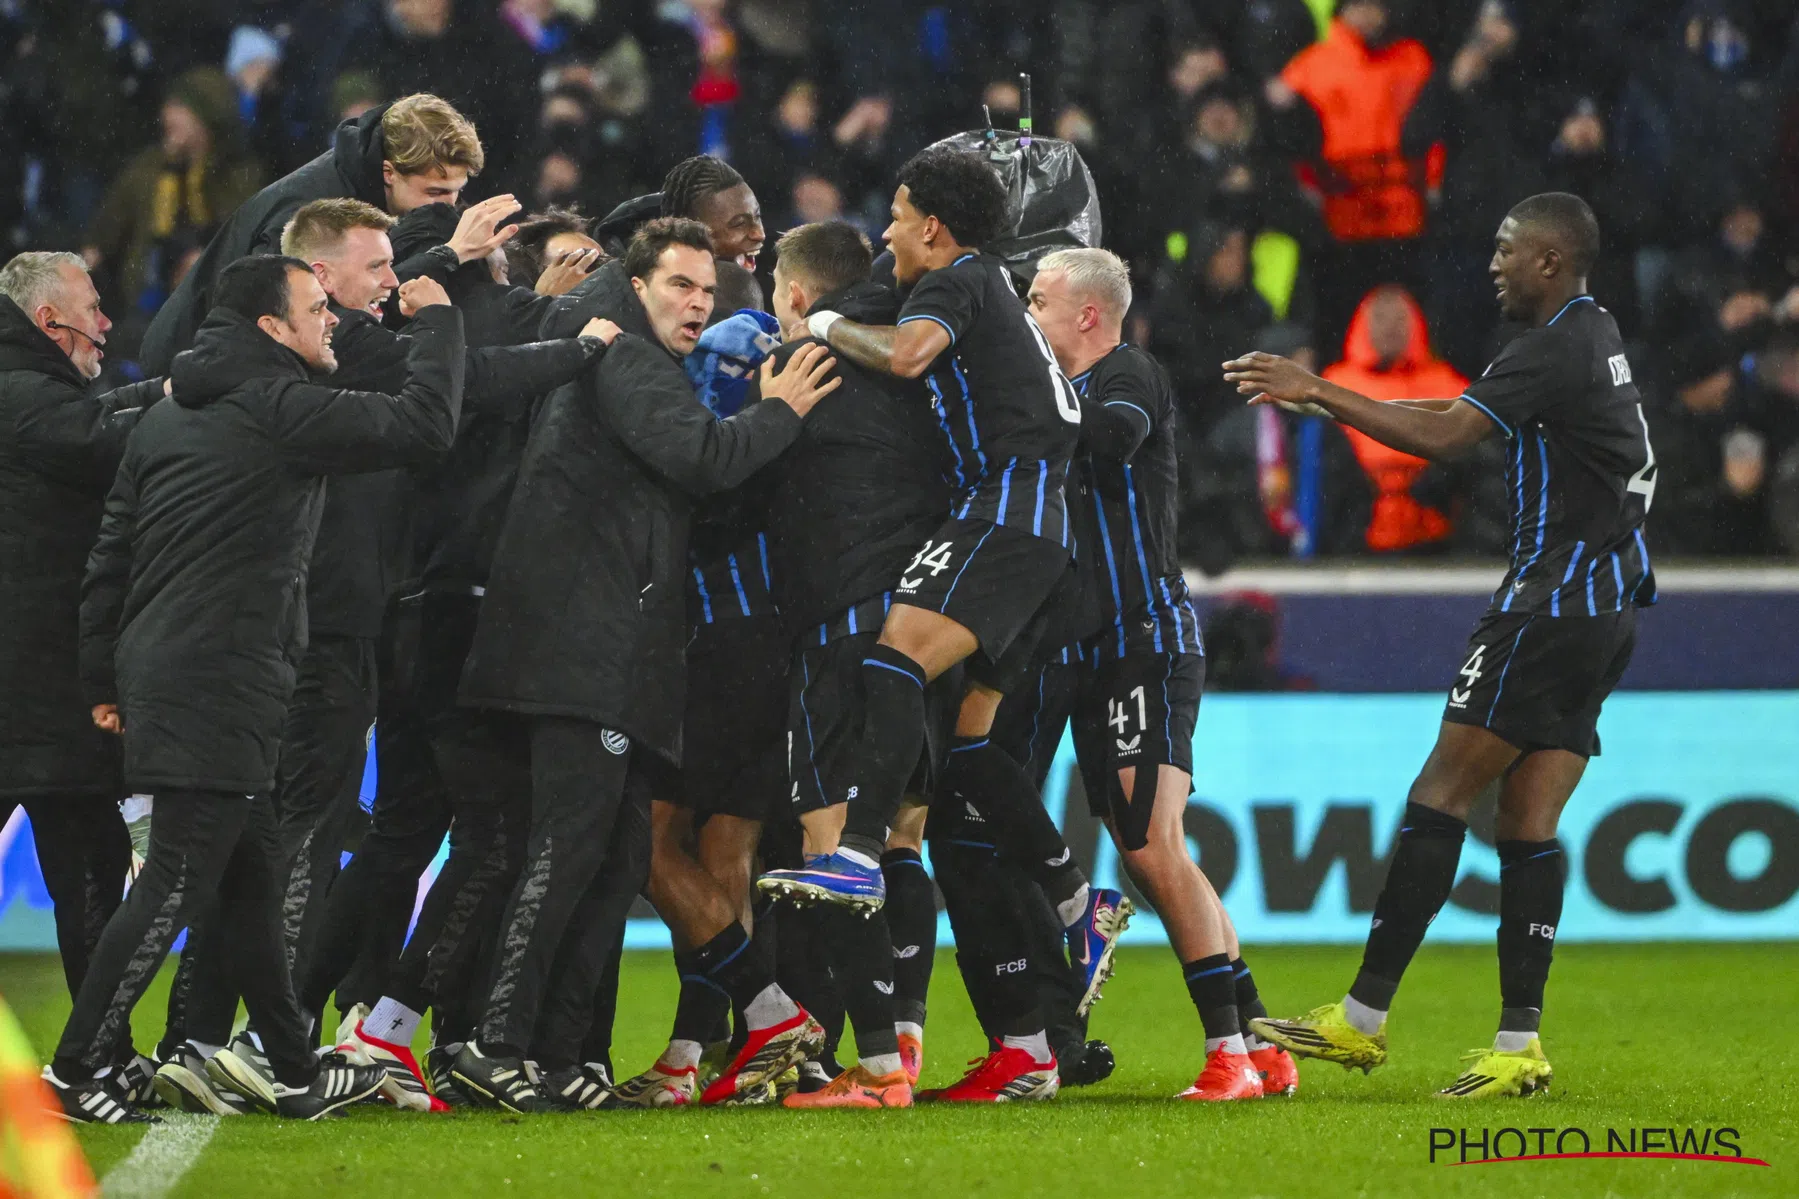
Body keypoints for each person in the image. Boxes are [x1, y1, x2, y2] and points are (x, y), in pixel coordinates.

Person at [1223, 192, 1656, 1098]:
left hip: (1548, 604)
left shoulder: (1549, 347)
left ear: (1548, 261)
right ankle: (1517, 1044)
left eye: (1506, 249)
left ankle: (1362, 1017)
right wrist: (1345, 399)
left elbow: (1450, 435)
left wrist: (1321, 392)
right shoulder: (1592, 335)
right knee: (1526, 821)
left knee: (1440, 792)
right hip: (1608, 607)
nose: (1491, 262)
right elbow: (1465, 406)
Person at [48, 253, 467, 1123]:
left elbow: (110, 556)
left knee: (249, 879)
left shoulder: (167, 416)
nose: (331, 323)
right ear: (272, 328)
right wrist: (438, 322)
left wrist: (103, 675)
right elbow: (425, 427)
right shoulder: (278, 406)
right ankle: (77, 1069)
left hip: (172, 668)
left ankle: (292, 1067)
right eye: (317, 308)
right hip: (222, 673)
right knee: (173, 879)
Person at [448, 218, 838, 1112]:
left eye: (707, 290)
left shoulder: (632, 363)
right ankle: (496, 1043)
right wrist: (783, 409)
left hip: (604, 647)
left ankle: (560, 1051)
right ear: (637, 286)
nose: (698, 303)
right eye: (679, 286)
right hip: (585, 649)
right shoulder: (625, 360)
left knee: (619, 851)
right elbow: (704, 458)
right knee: (570, 843)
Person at [759, 149, 1122, 1104]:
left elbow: (910, 352)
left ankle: (851, 851)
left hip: (1004, 512)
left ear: (934, 228)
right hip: (1037, 526)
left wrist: (825, 321)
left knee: (889, 660)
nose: (884, 231)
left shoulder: (960, 281)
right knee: (967, 747)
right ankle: (1076, 902)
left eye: (897, 213)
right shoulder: (990, 288)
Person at [1026, 247, 1297, 1102]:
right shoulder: (1062, 388)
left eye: (1037, 301)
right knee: (1149, 852)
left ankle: (1228, 1056)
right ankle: (1258, 1041)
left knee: (1149, 842)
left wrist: (1026, 396)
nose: (1025, 316)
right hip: (1087, 650)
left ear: (1087, 316)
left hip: (1143, 638)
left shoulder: (1128, 374)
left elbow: (1111, 442)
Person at [0, 253, 163, 1093]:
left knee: (92, 868)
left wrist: (160, 392)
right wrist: (187, 395)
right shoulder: (22, 396)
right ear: (47, 322)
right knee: (92, 873)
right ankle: (101, 1055)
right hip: (40, 687)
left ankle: (107, 1052)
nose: (106, 324)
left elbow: (96, 418)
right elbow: (98, 439)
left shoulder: (30, 391)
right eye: (92, 309)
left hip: (36, 682)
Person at [138, 93, 508, 374]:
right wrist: (450, 253)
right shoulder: (311, 210)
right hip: (191, 367)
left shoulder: (363, 185)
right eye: (436, 193)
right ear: (389, 172)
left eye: (456, 192)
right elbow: (280, 314)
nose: (448, 206)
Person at [1322, 285, 1471, 552]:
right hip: (1354, 538)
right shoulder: (1334, 385)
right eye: (1380, 318)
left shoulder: (1448, 384)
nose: (1391, 327)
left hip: (1434, 537)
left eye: (1400, 318)